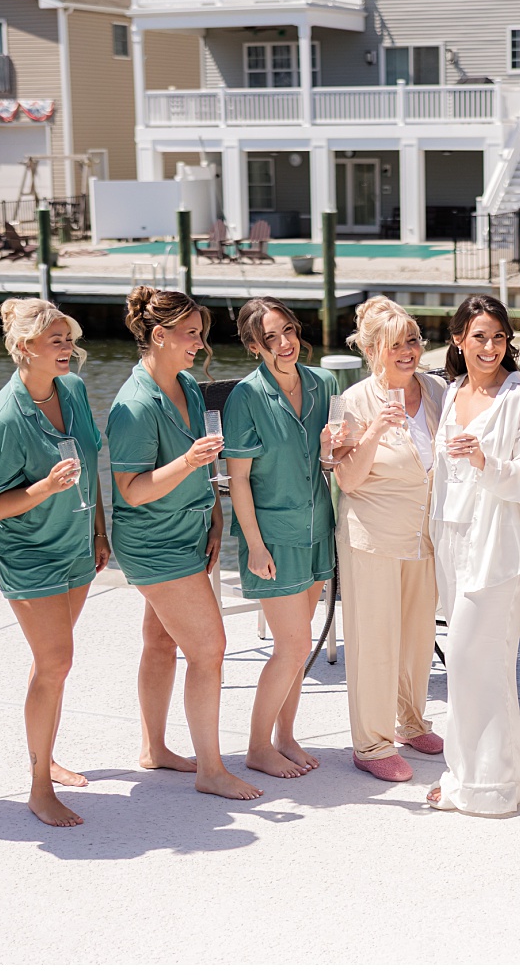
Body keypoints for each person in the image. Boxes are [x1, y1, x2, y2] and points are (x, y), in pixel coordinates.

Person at [107, 286, 260, 800]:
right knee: (210, 649)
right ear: (160, 335)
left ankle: (154, 748)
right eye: (191, 334)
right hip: (153, 541)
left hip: (190, 530)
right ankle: (211, 770)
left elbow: (203, 467)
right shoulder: (133, 406)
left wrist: (215, 515)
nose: (200, 344)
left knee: (160, 640)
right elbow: (130, 491)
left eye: (201, 334)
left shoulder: (188, 387)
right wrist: (190, 462)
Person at [0, 298, 109, 827]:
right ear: (24, 347)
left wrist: (100, 531)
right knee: (55, 662)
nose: (67, 350)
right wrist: (45, 486)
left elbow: (94, 464)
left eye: (69, 340)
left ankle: (46, 757)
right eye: (56, 341)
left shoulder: (73, 390)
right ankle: (37, 788)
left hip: (76, 542)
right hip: (28, 552)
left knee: (50, 663)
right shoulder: (3, 417)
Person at [427, 295, 520, 814]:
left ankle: (492, 785)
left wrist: (483, 460)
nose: (490, 348)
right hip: (451, 541)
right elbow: (436, 477)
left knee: (479, 658)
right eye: (479, 336)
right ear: (458, 339)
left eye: (498, 337)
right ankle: (478, 770)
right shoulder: (451, 392)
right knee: (465, 664)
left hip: (496, 545)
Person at [331, 297, 447, 782]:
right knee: (374, 641)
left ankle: (411, 721)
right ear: (374, 349)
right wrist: (375, 430)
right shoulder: (354, 400)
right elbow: (348, 480)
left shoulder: (437, 390)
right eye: (395, 344)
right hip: (372, 537)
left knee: (419, 637)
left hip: (425, 536)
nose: (408, 352)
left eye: (414, 341)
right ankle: (371, 743)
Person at [222, 298, 336, 779]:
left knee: (299, 644)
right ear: (254, 346)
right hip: (272, 534)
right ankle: (257, 746)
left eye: (288, 331)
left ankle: (285, 736)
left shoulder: (323, 384)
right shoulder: (245, 398)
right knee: (291, 646)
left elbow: (330, 458)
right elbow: (239, 479)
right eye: (271, 338)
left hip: (317, 528)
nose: (286, 343)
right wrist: (255, 545)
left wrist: (335, 451)